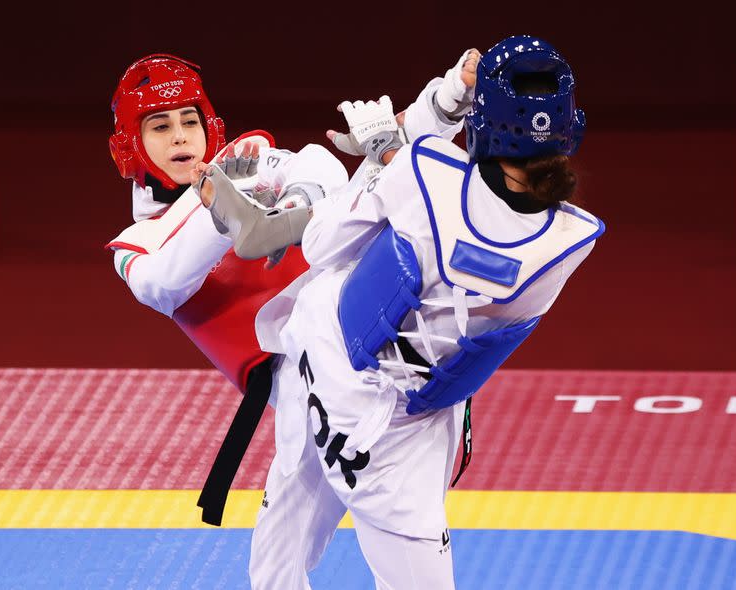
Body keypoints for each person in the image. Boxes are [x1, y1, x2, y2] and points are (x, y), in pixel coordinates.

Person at [202, 36, 603, 588]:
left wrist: (385, 155)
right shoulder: (571, 241)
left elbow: (322, 246)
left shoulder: (421, 173)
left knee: (284, 535)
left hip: (323, 359)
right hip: (399, 431)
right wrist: (407, 145)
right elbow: (474, 214)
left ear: (485, 121)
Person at [106, 52, 482, 530]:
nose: (180, 135)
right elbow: (161, 283)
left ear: (210, 127)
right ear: (129, 146)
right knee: (276, 559)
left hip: (357, 334)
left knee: (372, 180)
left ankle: (448, 100)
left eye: (188, 120)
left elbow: (318, 163)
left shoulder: (244, 158)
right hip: (305, 380)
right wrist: (223, 210)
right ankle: (427, 124)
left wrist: (292, 203)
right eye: (159, 126)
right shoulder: (137, 244)